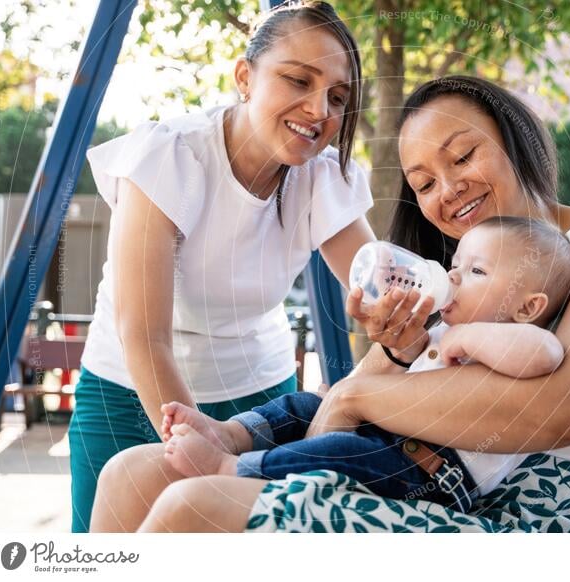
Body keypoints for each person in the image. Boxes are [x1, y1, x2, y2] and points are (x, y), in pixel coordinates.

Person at [90, 75, 570, 534]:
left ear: (515, 139)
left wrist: (358, 393)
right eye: (422, 184)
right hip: (421, 476)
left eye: (463, 157)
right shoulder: (462, 280)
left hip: (543, 509)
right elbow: (356, 392)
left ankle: (236, 462)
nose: (446, 190)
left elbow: (569, 404)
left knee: (197, 506)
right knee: (133, 473)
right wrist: (393, 352)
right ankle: (235, 443)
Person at [68, 1, 374, 533]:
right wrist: (197, 445)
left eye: (337, 97)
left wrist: (412, 313)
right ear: (244, 77)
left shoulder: (322, 178)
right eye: (297, 80)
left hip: (257, 394)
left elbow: (382, 287)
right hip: (130, 390)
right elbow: (144, 335)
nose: (319, 108)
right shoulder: (171, 155)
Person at [151, 217, 570, 513]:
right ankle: (230, 434)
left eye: (477, 271)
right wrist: (405, 348)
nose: (452, 279)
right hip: (388, 435)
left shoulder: (517, 337)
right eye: (454, 266)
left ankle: (231, 470)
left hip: (430, 473)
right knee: (304, 405)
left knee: (341, 451)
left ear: (527, 307)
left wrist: (468, 337)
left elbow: (547, 355)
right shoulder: (447, 329)